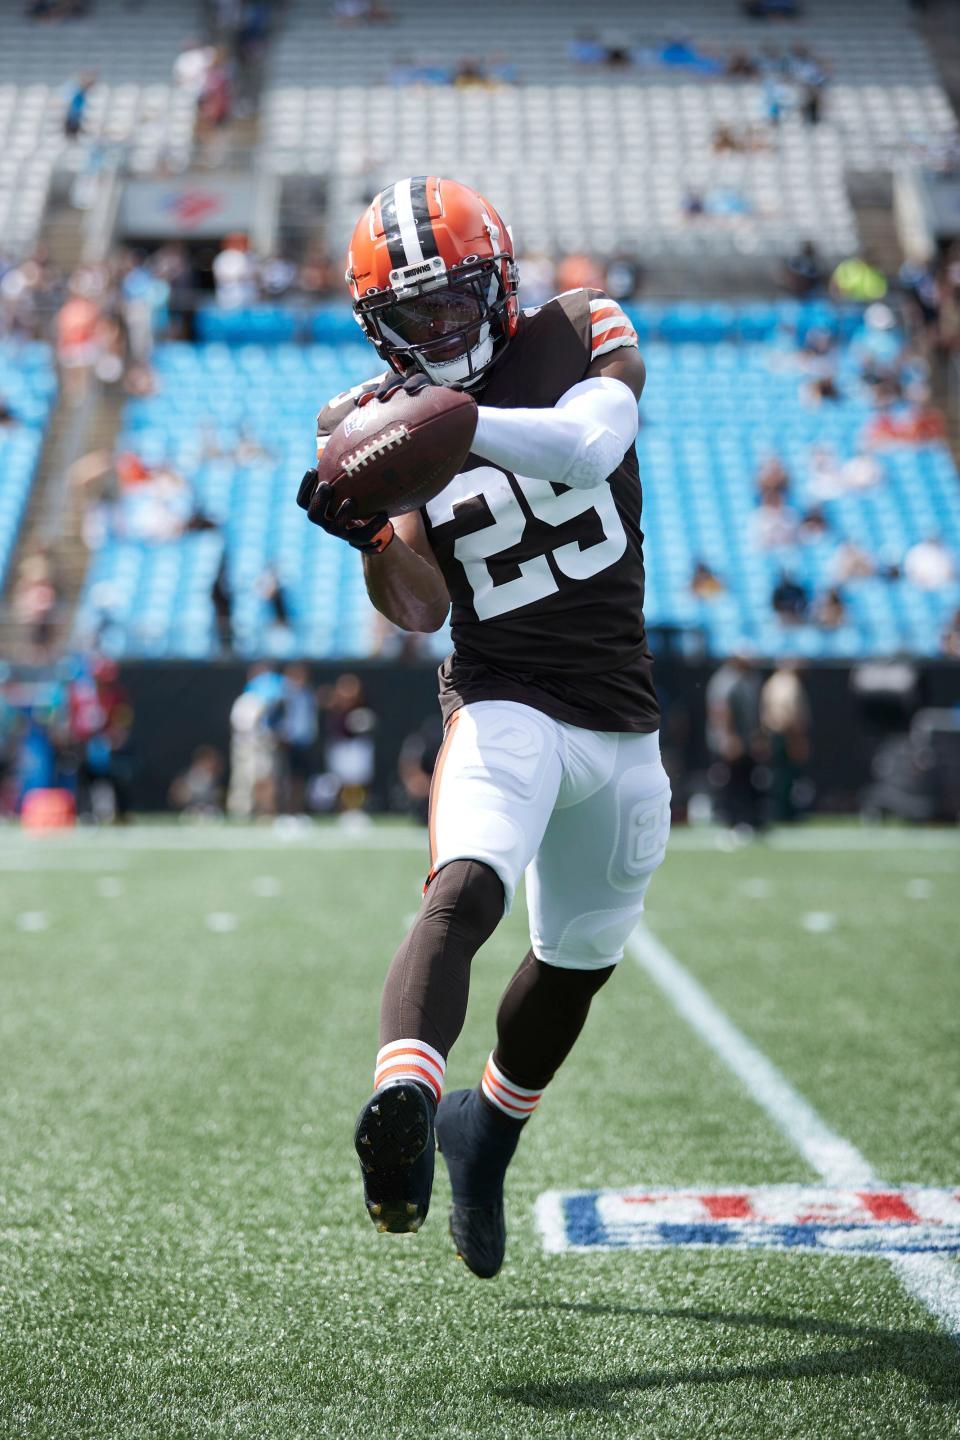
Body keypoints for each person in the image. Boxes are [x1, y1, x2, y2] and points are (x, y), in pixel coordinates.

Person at [298, 175, 669, 1275]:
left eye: (459, 302)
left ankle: (485, 1133)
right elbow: (423, 608)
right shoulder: (376, 423)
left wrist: (444, 423)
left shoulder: (577, 327)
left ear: (499, 281)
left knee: (577, 963)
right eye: (418, 319)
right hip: (503, 693)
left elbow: (592, 445)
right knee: (466, 884)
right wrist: (371, 535)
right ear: (381, 328)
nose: (445, 330)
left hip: (620, 710)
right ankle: (405, 1096)